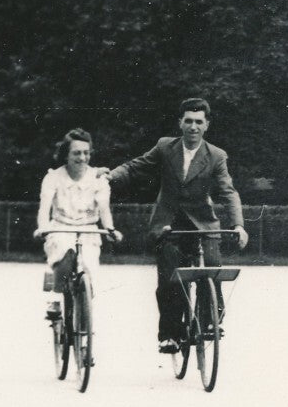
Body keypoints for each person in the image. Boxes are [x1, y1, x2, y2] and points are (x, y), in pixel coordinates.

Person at [100, 98, 247, 353]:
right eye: (188, 121)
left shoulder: (216, 156)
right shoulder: (165, 148)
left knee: (212, 268)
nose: (193, 127)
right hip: (169, 224)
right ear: (180, 123)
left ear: (206, 125)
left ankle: (210, 320)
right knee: (170, 279)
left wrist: (238, 225)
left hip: (203, 224)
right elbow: (135, 167)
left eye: (198, 122)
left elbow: (228, 192)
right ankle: (169, 334)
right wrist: (110, 176)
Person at [33, 129, 122, 325]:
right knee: (67, 253)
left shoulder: (98, 179)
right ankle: (55, 298)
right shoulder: (53, 178)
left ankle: (84, 332)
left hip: (89, 230)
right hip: (61, 228)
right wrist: (43, 228)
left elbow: (104, 208)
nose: (82, 158)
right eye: (76, 153)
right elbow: (45, 207)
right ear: (66, 154)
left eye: (86, 153)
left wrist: (110, 229)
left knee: (89, 273)